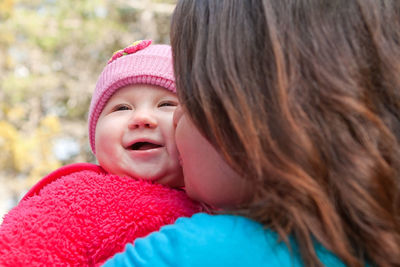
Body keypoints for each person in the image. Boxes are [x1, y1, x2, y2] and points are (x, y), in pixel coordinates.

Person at [104, 1, 400, 266]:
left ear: (255, 108)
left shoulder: (191, 252)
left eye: (185, 95)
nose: (177, 116)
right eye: (121, 108)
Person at [0, 40, 202, 266]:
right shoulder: (75, 198)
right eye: (122, 108)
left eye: (166, 104)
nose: (142, 118)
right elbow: (20, 252)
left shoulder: (219, 198)